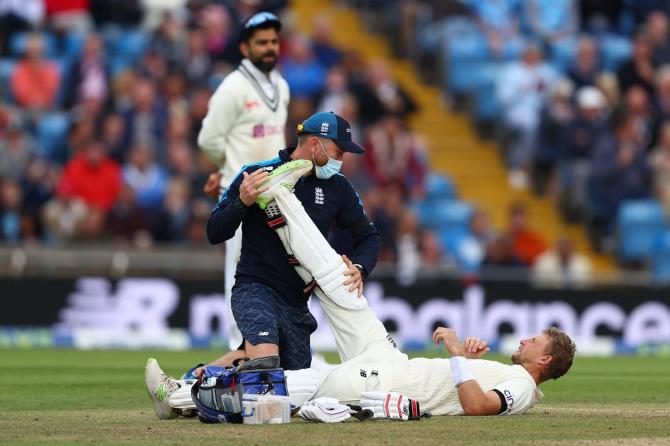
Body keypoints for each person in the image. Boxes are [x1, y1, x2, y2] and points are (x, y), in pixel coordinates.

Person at [145, 172, 575, 419]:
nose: (524, 340)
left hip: (384, 383)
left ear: (545, 362)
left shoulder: (520, 382)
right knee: (341, 280)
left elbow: (478, 407)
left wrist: (458, 354)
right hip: (391, 362)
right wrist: (470, 363)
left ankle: (179, 395)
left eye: (534, 342)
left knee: (296, 384)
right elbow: (468, 391)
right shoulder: (512, 375)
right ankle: (279, 202)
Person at [205, 111, 380, 371]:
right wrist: (242, 202)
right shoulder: (256, 174)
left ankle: (191, 382)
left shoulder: (339, 187)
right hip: (255, 287)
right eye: (338, 152)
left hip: (298, 302)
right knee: (265, 363)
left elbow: (368, 237)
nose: (341, 160)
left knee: (293, 386)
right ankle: (201, 385)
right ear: (314, 144)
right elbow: (214, 232)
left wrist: (361, 268)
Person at [197, 11, 290, 350]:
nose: (269, 48)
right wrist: (228, 171)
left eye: (274, 41)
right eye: (261, 42)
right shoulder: (233, 87)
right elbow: (208, 139)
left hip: (274, 194)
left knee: (276, 271)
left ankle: (274, 343)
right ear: (244, 47)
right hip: (241, 196)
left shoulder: (280, 85)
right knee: (239, 273)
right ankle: (242, 346)